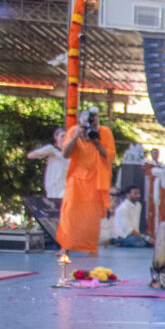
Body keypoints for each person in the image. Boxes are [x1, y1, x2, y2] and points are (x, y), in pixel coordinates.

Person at [58, 106, 116, 256]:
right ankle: (66, 247)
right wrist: (75, 136)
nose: (91, 126)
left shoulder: (105, 132)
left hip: (95, 180)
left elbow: (109, 157)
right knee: (70, 212)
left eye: (95, 123)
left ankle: (91, 248)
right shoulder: (74, 131)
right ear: (81, 122)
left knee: (91, 216)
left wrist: (97, 142)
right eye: (88, 124)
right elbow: (65, 154)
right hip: (76, 179)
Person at [26, 128, 68, 199]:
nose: (64, 138)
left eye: (66, 136)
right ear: (56, 137)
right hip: (54, 184)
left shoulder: (70, 152)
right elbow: (30, 155)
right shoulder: (51, 148)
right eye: (62, 136)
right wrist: (46, 153)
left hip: (66, 184)